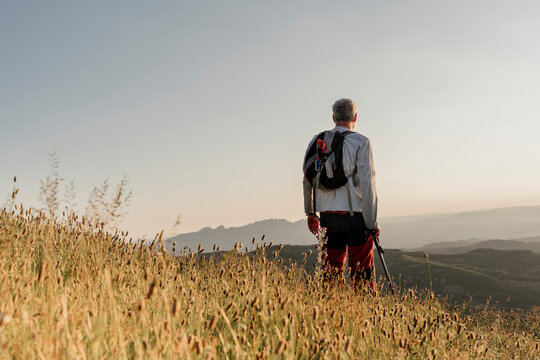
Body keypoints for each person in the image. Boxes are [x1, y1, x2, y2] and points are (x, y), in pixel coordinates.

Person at [302, 98, 380, 282]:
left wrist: (310, 212)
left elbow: (307, 178)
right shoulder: (361, 142)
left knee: (330, 273)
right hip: (356, 217)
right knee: (362, 275)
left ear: (333, 117)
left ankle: (330, 309)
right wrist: (372, 223)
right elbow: (368, 186)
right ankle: (359, 310)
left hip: (328, 215)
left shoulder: (318, 140)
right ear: (355, 116)